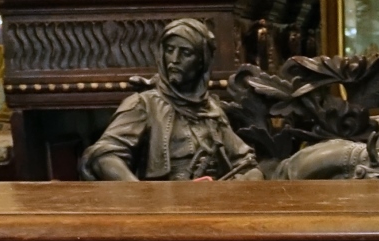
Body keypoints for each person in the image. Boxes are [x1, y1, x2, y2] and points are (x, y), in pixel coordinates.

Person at [80, 18, 263, 181]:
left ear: (202, 62)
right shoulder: (143, 104)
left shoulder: (211, 109)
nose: (174, 60)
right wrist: (138, 194)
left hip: (214, 201)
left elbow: (245, 162)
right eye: (169, 50)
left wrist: (240, 183)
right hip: (165, 204)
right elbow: (104, 156)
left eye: (185, 53)